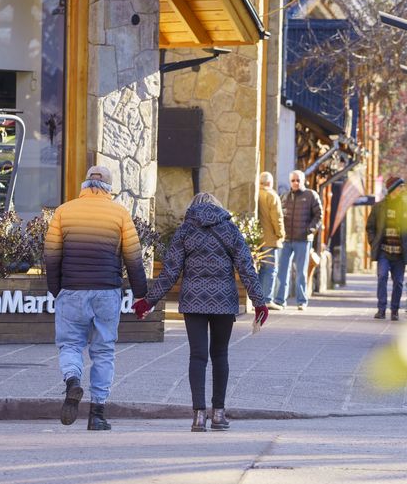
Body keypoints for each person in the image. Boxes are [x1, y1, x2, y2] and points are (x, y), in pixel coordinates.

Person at [133, 193, 269, 432]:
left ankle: (198, 416)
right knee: (220, 355)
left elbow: (170, 272)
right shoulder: (229, 229)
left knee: (197, 357)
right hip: (224, 301)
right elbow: (246, 267)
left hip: (193, 301)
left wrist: (148, 301)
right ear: (218, 206)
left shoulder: (185, 230)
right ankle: (218, 414)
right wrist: (259, 302)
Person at [44, 165, 148, 430]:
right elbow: (133, 258)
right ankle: (97, 415)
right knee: (103, 352)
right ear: (109, 188)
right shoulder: (120, 213)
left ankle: (72, 380)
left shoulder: (64, 211)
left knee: (70, 345)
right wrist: (141, 296)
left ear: (84, 185)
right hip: (106, 292)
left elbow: (51, 255)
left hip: (72, 289)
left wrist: (56, 289)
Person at [366, 176, 407, 321]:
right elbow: (370, 227)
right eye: (401, 186)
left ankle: (394, 310)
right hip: (384, 250)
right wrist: (373, 242)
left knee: (399, 282)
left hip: (400, 253)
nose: (403, 189)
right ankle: (381, 309)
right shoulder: (379, 207)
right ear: (393, 189)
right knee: (382, 277)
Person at [274, 170, 323, 311]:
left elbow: (319, 215)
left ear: (303, 181)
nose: (295, 183)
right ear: (290, 182)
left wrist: (310, 230)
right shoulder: (284, 197)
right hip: (286, 240)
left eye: (298, 180)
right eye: (293, 180)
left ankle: (302, 301)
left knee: (301, 272)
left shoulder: (311, 195)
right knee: (282, 271)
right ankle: (280, 300)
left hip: (303, 240)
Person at [257, 171, 285, 310]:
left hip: (258, 239)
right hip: (270, 238)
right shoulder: (272, 195)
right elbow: (277, 217)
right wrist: (281, 234)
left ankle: (259, 298)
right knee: (270, 269)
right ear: (270, 183)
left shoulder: (257, 194)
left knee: (262, 269)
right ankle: (267, 299)